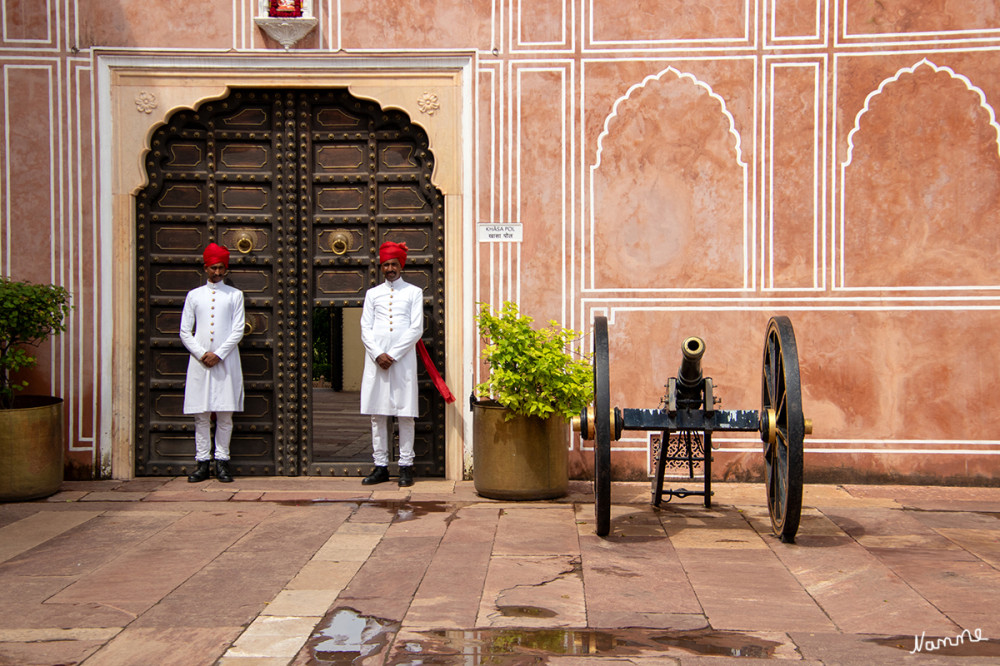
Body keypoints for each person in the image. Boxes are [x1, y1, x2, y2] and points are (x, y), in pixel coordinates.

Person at [360, 241, 424, 487]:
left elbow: (416, 328)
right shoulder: (372, 294)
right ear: (381, 267)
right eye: (386, 264)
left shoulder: (413, 292)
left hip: (402, 361)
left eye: (393, 264)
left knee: (405, 414)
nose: (389, 268)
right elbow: (365, 327)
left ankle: (406, 465)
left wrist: (393, 354)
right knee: (378, 414)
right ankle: (381, 466)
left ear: (401, 266)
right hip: (376, 362)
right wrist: (378, 353)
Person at [180, 242, 245, 483]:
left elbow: (238, 329)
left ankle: (222, 462)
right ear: (205, 268)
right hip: (200, 364)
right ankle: (202, 463)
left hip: (225, 361)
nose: (217, 273)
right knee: (201, 415)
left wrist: (218, 353)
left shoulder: (235, 295)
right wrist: (201, 353)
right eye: (213, 268)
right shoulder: (194, 296)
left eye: (221, 268)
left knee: (225, 414)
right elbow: (185, 331)